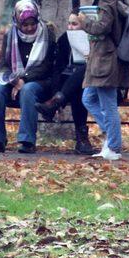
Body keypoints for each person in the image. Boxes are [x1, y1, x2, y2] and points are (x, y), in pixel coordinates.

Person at [0, 0, 57, 154]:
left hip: (41, 82)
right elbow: (4, 63)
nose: (29, 28)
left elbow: (47, 66)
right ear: (17, 22)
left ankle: (27, 140)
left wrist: (25, 79)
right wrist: (14, 80)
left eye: (32, 23)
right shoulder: (10, 35)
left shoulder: (47, 32)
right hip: (14, 80)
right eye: (25, 25)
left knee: (28, 89)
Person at [78, 0, 129, 161]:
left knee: (108, 104)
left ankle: (114, 146)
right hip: (100, 58)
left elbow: (102, 27)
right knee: (88, 98)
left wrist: (82, 22)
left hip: (106, 60)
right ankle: (111, 136)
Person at [36, 11, 93, 155]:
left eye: (75, 24)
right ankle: (82, 139)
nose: (70, 27)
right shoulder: (64, 39)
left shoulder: (95, 40)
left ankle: (54, 104)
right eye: (69, 23)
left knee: (81, 81)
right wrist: (55, 91)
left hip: (96, 83)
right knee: (77, 90)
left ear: (85, 26)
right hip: (70, 86)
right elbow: (57, 68)